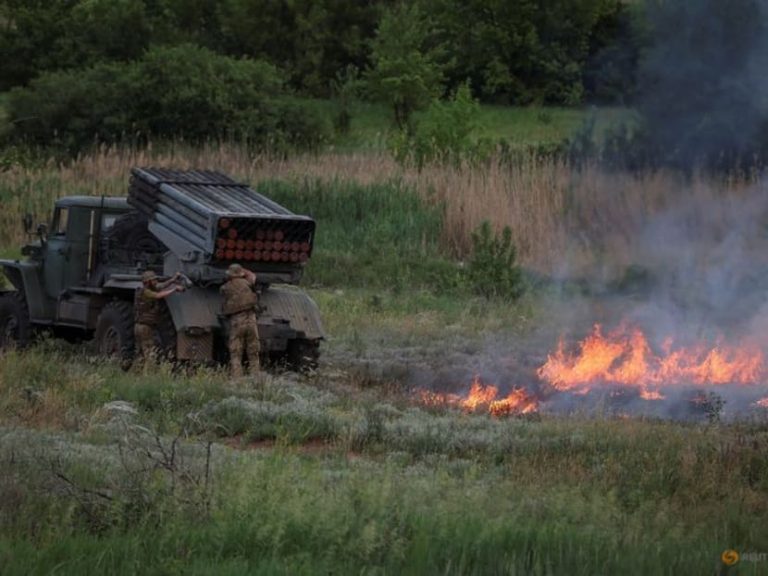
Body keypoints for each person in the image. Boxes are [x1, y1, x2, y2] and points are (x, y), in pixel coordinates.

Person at [220, 263, 261, 378]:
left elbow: (224, 297)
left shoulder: (225, 287)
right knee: (253, 351)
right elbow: (253, 276)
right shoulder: (248, 283)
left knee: (236, 352)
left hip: (237, 321)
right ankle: (256, 376)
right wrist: (244, 270)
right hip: (252, 320)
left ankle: (237, 378)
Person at [134, 270, 183, 361]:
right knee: (150, 353)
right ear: (148, 282)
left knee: (141, 353)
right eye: (153, 280)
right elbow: (158, 295)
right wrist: (174, 289)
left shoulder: (147, 289)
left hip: (140, 326)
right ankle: (149, 373)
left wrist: (173, 279)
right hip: (144, 327)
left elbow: (161, 286)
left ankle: (138, 372)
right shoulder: (146, 292)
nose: (155, 282)